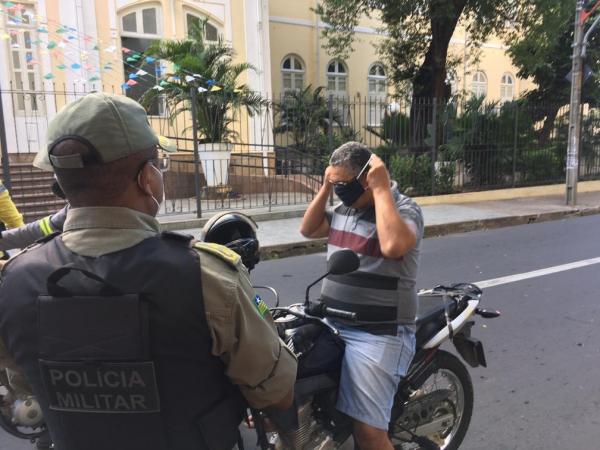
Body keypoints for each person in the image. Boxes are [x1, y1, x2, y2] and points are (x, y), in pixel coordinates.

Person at [0, 92, 296, 450]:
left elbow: (25, 388)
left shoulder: (13, 282)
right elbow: (276, 393)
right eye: (159, 165)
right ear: (147, 179)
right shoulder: (208, 276)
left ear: (61, 185)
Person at [299, 141, 424, 450]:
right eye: (335, 182)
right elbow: (308, 229)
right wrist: (326, 189)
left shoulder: (405, 209)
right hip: (332, 323)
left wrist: (381, 189)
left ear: (369, 178)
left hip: (377, 332)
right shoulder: (342, 209)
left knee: (368, 434)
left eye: (345, 184)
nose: (341, 191)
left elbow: (393, 246)